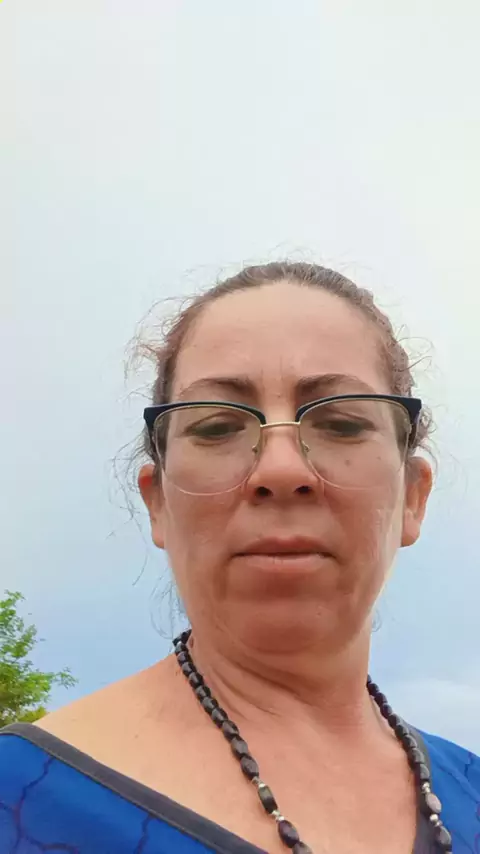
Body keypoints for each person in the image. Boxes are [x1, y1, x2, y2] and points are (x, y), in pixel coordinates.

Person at [1, 261, 478, 854]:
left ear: (413, 496)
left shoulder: (472, 790)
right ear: (158, 503)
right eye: (216, 427)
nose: (280, 468)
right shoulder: (18, 798)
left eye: (341, 422)